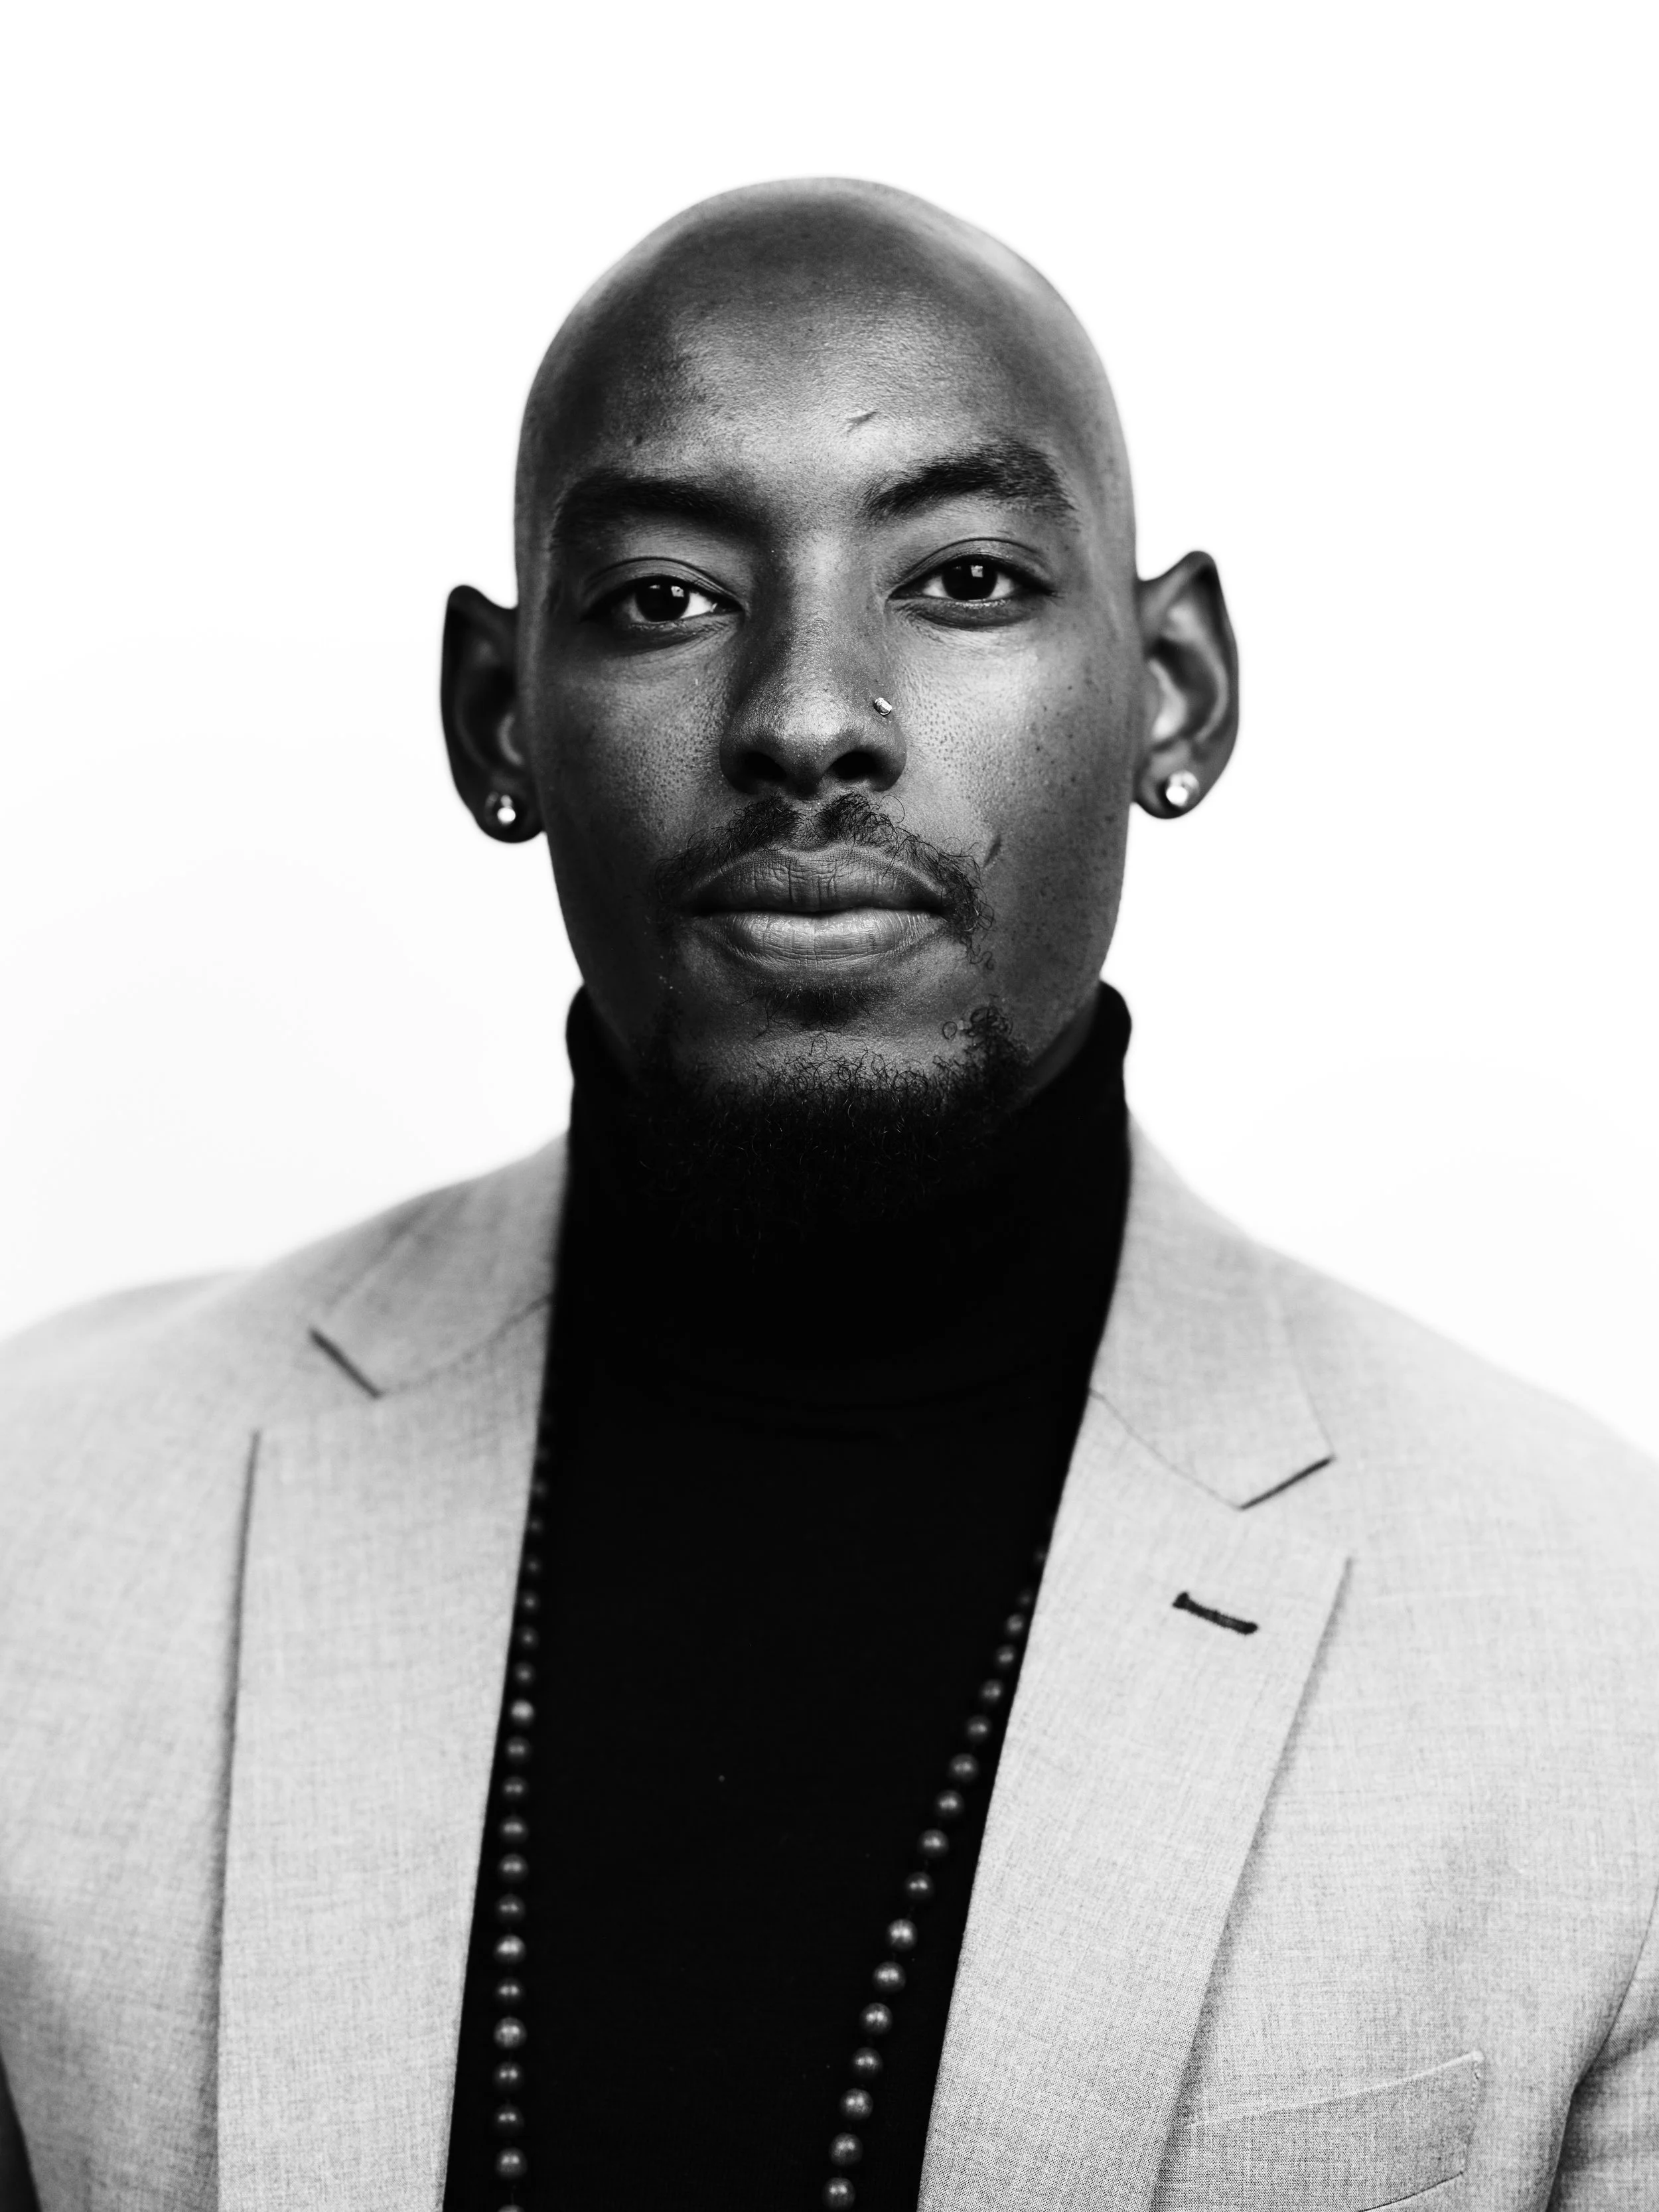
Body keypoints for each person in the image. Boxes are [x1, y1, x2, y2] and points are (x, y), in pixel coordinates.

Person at [1, 178, 1655, 2212]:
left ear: (1173, 687)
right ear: (495, 718)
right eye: (664, 598)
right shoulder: (41, 1527)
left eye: (962, 578)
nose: (804, 717)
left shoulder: (1606, 1648)